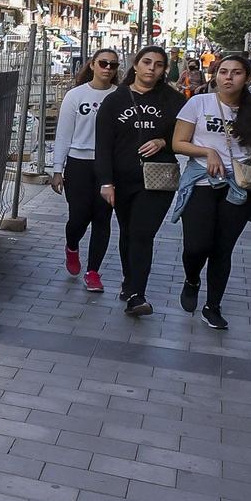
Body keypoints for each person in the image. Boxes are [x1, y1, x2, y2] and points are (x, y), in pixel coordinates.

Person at [171, 53, 251, 329]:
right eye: (223, 71)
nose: (229, 77)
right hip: (202, 182)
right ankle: (192, 279)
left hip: (237, 187)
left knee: (221, 249)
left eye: (236, 72)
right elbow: (178, 143)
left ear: (247, 77)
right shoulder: (198, 103)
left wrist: (245, 164)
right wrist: (208, 151)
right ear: (215, 75)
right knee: (196, 246)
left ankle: (212, 305)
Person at [96, 45, 183, 318]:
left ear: (163, 70)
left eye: (158, 65)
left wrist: (163, 141)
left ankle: (137, 294)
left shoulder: (174, 100)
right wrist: (106, 181)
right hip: (123, 180)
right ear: (135, 65)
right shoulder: (115, 99)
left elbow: (188, 137)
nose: (151, 68)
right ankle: (128, 279)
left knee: (142, 234)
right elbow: (103, 145)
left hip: (158, 179)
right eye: (147, 62)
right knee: (128, 231)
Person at [50, 49, 120, 292]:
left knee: (102, 219)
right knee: (79, 217)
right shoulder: (75, 96)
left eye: (113, 65)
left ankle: (93, 272)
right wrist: (57, 169)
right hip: (79, 163)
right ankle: (72, 245)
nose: (108, 69)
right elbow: (63, 134)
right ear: (92, 65)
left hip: (109, 166)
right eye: (103, 63)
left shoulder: (120, 96)